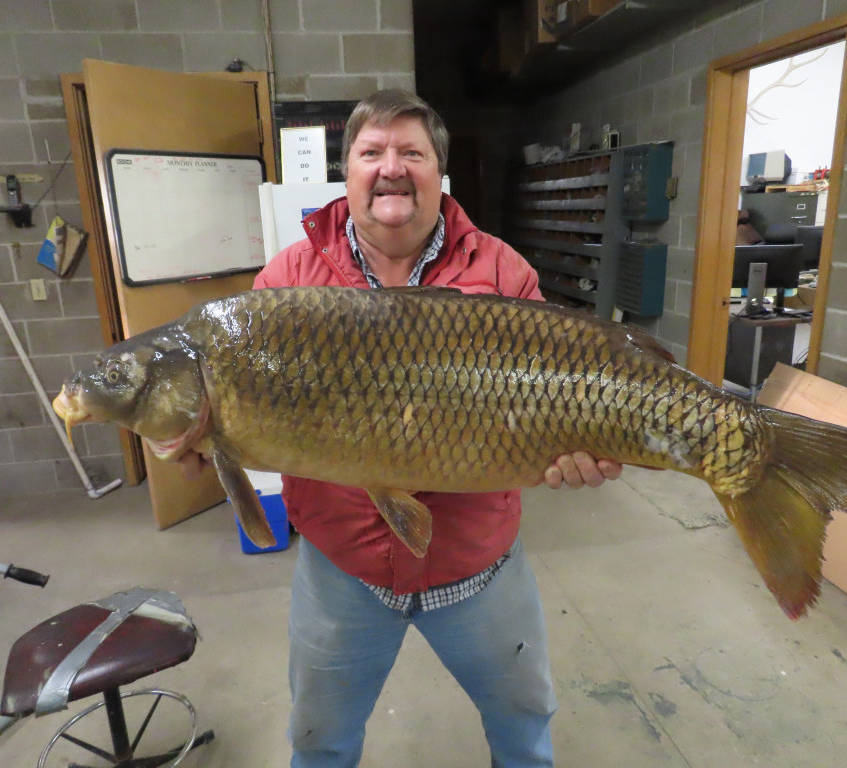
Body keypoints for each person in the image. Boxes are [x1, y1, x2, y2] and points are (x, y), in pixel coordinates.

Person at [213, 90, 621, 767]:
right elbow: (244, 402)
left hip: (479, 566)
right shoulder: (288, 280)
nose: (391, 167)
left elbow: (568, 387)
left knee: (525, 731)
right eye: (372, 152)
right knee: (318, 744)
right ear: (348, 172)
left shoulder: (501, 270)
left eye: (412, 152)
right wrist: (207, 437)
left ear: (440, 173)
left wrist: (585, 452)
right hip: (343, 569)